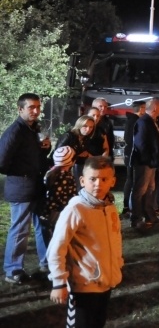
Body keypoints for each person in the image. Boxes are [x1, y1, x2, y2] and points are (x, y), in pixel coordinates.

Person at [47, 156, 123, 328]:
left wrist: (117, 264)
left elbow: (116, 238)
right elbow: (56, 247)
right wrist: (59, 281)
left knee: (97, 323)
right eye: (92, 179)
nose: (98, 184)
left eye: (104, 179)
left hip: (105, 281)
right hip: (84, 285)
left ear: (112, 181)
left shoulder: (110, 207)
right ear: (82, 181)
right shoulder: (76, 209)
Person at [0, 93, 51, 284]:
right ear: (20, 109)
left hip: (35, 186)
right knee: (20, 229)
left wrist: (44, 148)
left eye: (38, 106)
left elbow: (33, 156)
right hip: (21, 187)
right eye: (31, 107)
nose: (36, 111)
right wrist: (26, 171)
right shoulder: (15, 131)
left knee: (43, 226)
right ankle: (13, 269)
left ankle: (46, 262)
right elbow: (1, 163)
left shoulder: (31, 129)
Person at [130, 98, 159, 230]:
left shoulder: (150, 121)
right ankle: (136, 219)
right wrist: (149, 160)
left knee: (149, 189)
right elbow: (141, 144)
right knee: (140, 190)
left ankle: (149, 216)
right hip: (144, 163)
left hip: (150, 162)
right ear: (156, 108)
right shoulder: (144, 122)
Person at [42, 146, 78, 235]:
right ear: (71, 161)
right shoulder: (66, 177)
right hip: (61, 212)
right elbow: (68, 197)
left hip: (49, 210)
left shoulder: (50, 173)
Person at [56, 115, 96, 192]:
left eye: (91, 127)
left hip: (77, 166)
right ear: (79, 125)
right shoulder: (69, 136)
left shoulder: (86, 138)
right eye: (85, 126)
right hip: (63, 168)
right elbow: (57, 154)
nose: (88, 129)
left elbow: (84, 153)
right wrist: (76, 155)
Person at [121, 101, 146, 216]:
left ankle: (128, 206)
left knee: (130, 179)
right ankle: (128, 206)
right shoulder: (135, 121)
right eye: (144, 108)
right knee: (131, 180)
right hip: (133, 155)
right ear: (140, 109)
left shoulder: (131, 120)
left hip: (130, 154)